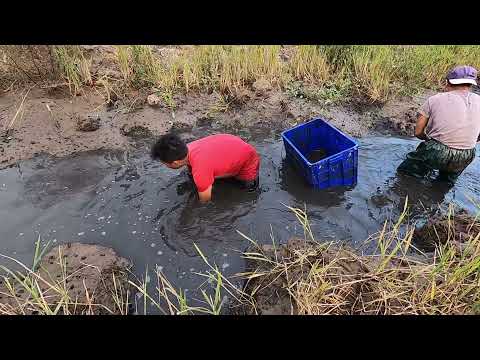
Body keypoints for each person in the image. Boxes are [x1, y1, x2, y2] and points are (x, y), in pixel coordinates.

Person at [397, 65, 480, 184]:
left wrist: (428, 140)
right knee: (445, 183)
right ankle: (437, 200)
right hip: (467, 154)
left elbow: (418, 132)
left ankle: (406, 196)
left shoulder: (434, 99)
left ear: (447, 82)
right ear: (471, 84)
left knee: (406, 174)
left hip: (437, 149)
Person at [151, 133, 260, 203]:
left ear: (175, 163)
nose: (165, 165)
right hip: (235, 145)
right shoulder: (190, 147)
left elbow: (205, 201)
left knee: (246, 192)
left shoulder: (200, 171)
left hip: (248, 162)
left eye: (165, 163)